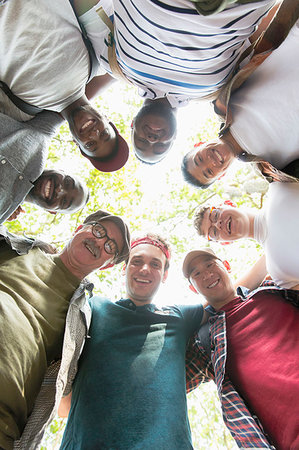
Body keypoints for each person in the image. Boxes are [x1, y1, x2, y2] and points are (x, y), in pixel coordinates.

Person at [73, 0, 277, 163]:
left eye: (142, 141)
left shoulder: (114, 65)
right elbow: (260, 40)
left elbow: (88, 8)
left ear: (133, 125)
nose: (152, 140)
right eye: (161, 146)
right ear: (175, 135)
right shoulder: (218, 92)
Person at [59, 234, 207, 449]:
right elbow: (63, 400)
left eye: (155, 264)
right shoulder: (95, 308)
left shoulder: (178, 316)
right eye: (137, 261)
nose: (145, 269)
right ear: (124, 267)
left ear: (165, 275)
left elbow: (226, 300)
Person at [0, 210, 130, 450]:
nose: (100, 241)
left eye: (111, 246)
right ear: (79, 228)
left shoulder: (85, 320)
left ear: (106, 266)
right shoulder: (19, 247)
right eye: (98, 230)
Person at [182, 247, 299, 449]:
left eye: (210, 265)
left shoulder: (272, 289)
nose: (207, 274)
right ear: (193, 288)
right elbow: (166, 384)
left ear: (226, 265)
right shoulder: (204, 341)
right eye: (197, 274)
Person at [0, 0, 129, 172]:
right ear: (108, 120)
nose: (93, 134)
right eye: (104, 134)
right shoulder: (96, 60)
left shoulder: (21, 109)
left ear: (76, 143)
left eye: (90, 145)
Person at [182, 16, 299, 188]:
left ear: (199, 145)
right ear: (221, 176)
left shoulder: (223, 102)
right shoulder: (271, 170)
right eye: (209, 172)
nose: (210, 162)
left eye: (199, 159)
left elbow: (254, 44)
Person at [193, 180, 299, 290]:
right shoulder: (278, 272)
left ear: (228, 203)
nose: (217, 224)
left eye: (215, 215)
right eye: (214, 232)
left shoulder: (279, 187)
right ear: (225, 242)